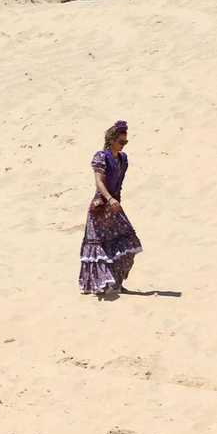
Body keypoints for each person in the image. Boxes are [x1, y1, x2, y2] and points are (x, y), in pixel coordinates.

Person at [80, 120, 142, 299]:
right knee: (99, 245)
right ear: (111, 140)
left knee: (128, 243)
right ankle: (101, 284)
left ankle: (115, 282)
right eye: (121, 141)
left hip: (115, 207)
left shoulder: (123, 159)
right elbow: (99, 181)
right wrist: (109, 198)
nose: (123, 145)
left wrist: (116, 200)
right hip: (102, 207)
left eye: (125, 142)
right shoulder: (101, 156)